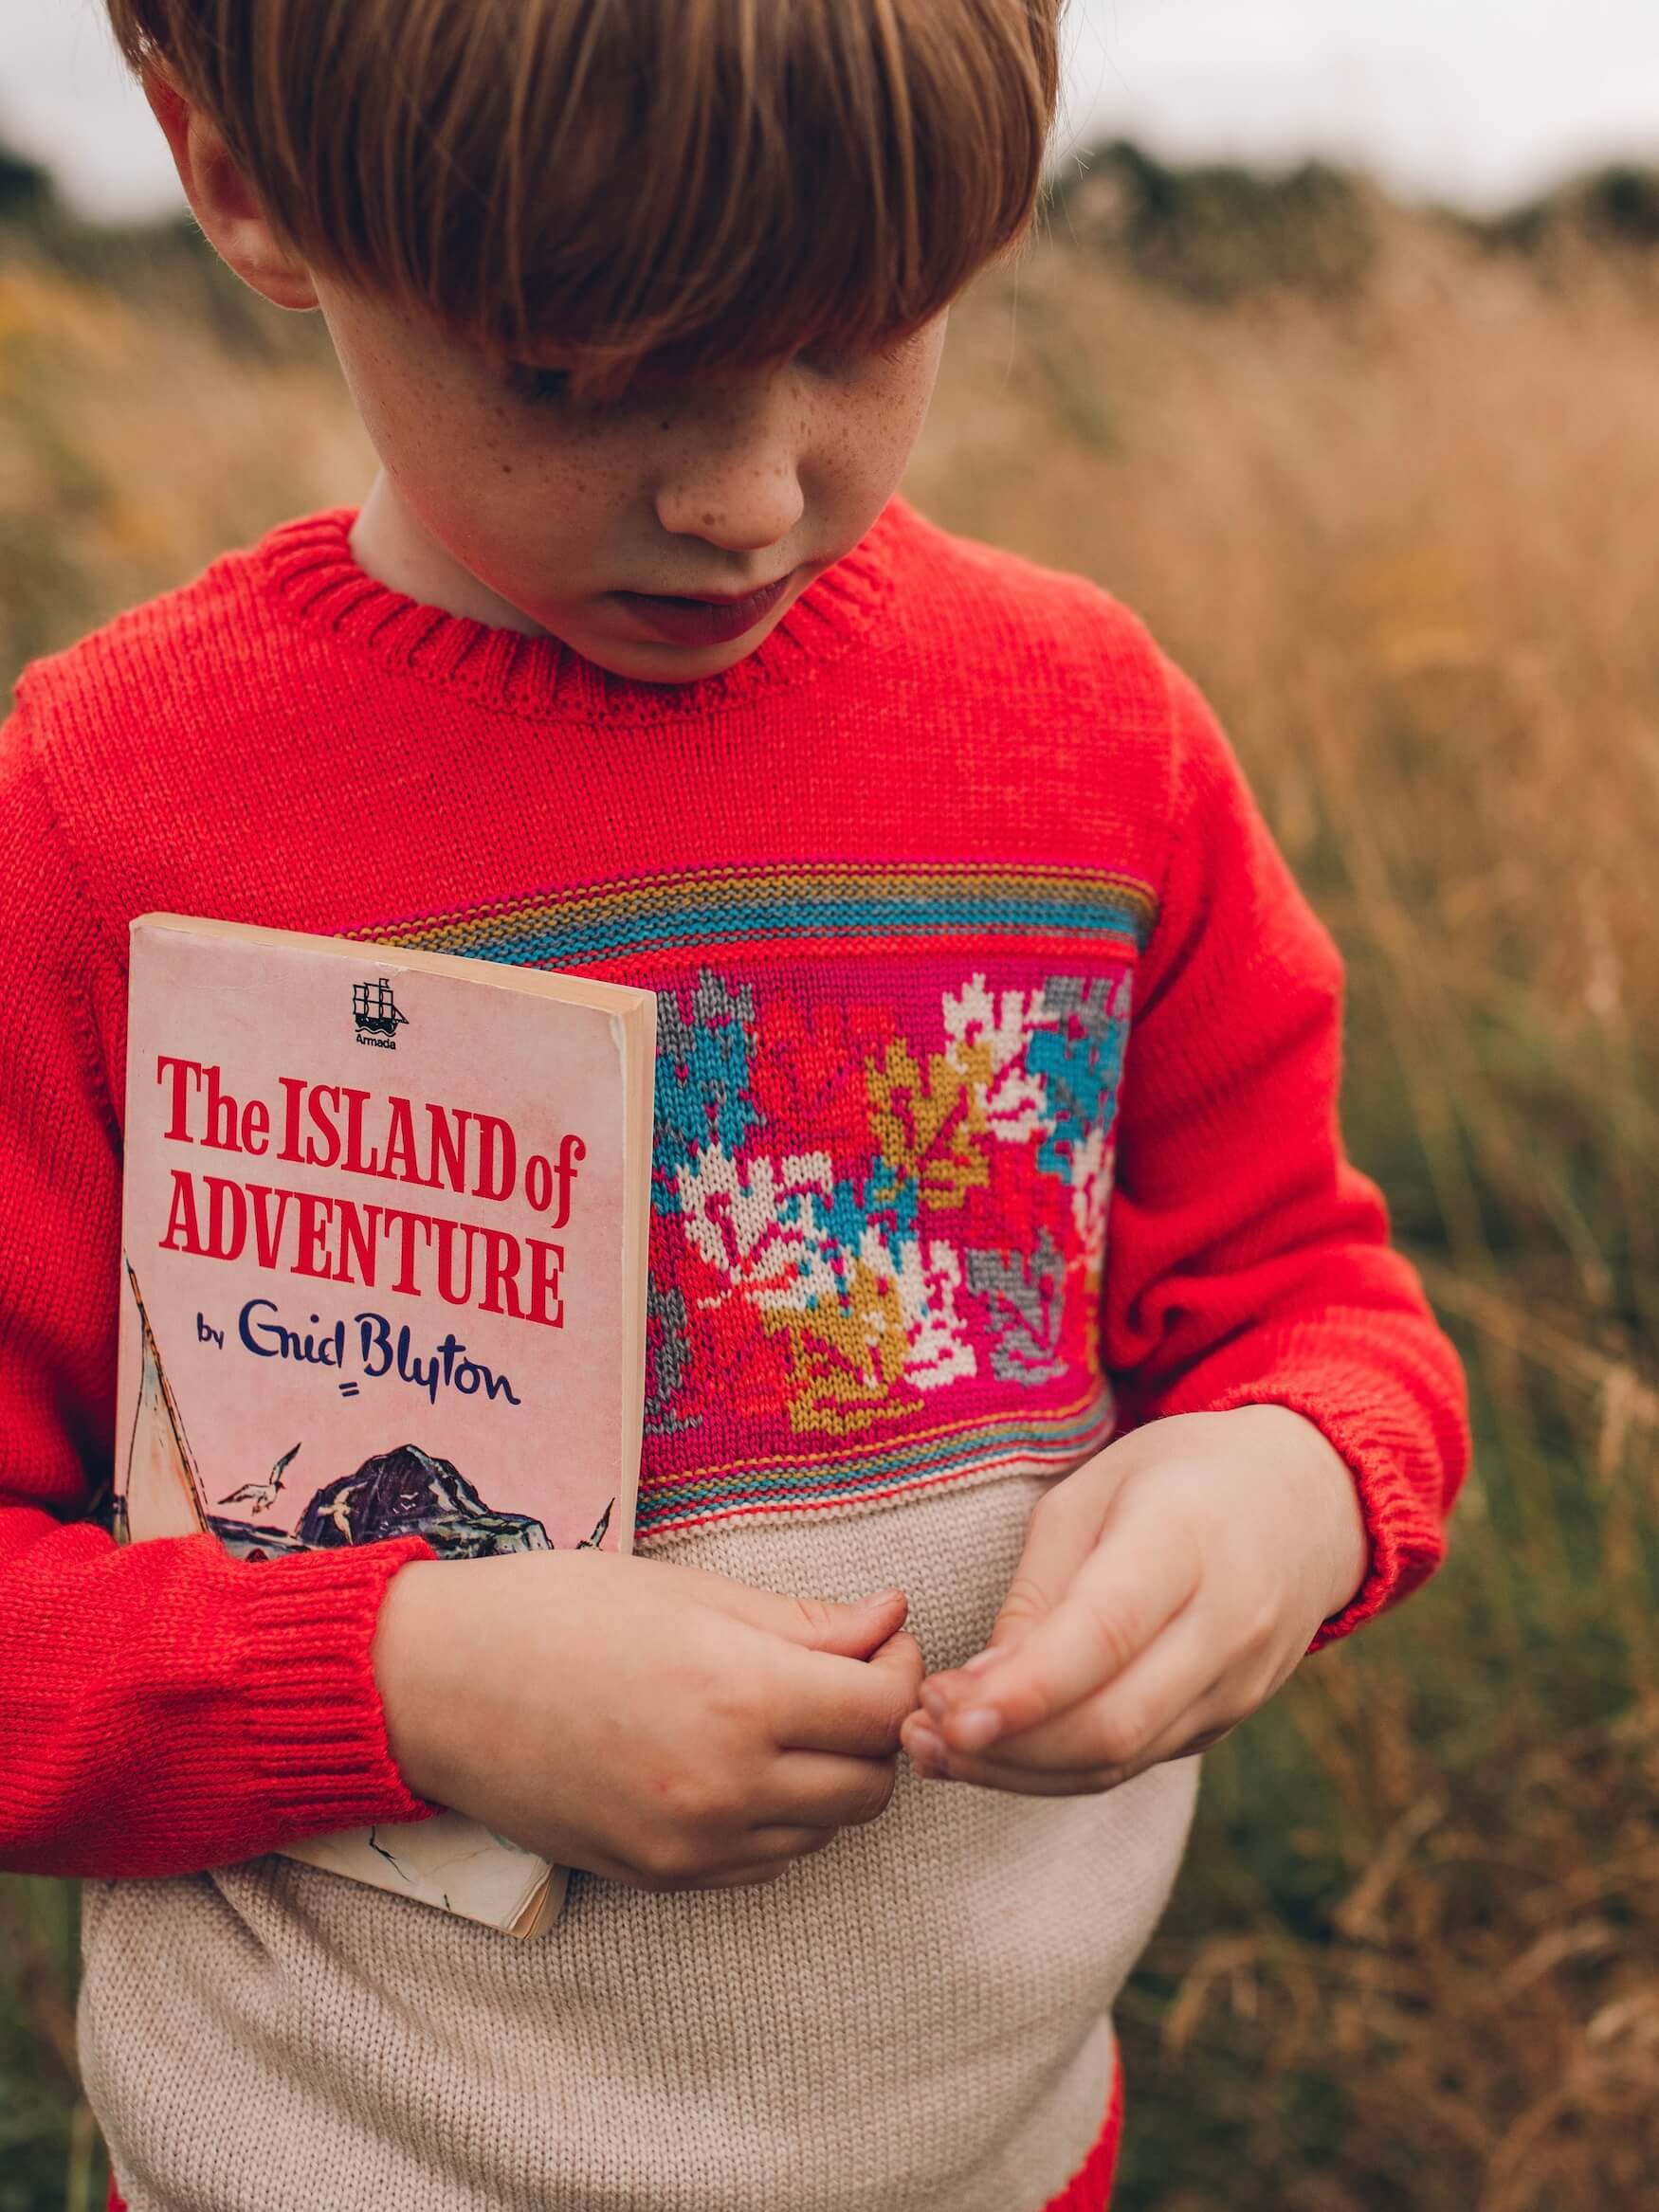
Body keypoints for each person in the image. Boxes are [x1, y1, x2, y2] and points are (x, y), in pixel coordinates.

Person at [0, 3, 1470, 2207]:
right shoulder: (99, 818)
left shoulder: (1092, 744)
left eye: (864, 336)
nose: (742, 495)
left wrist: (1286, 1485)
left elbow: (1309, 1299)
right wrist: (402, 1680)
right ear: (238, 183)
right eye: (577, 377)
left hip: (988, 2160)